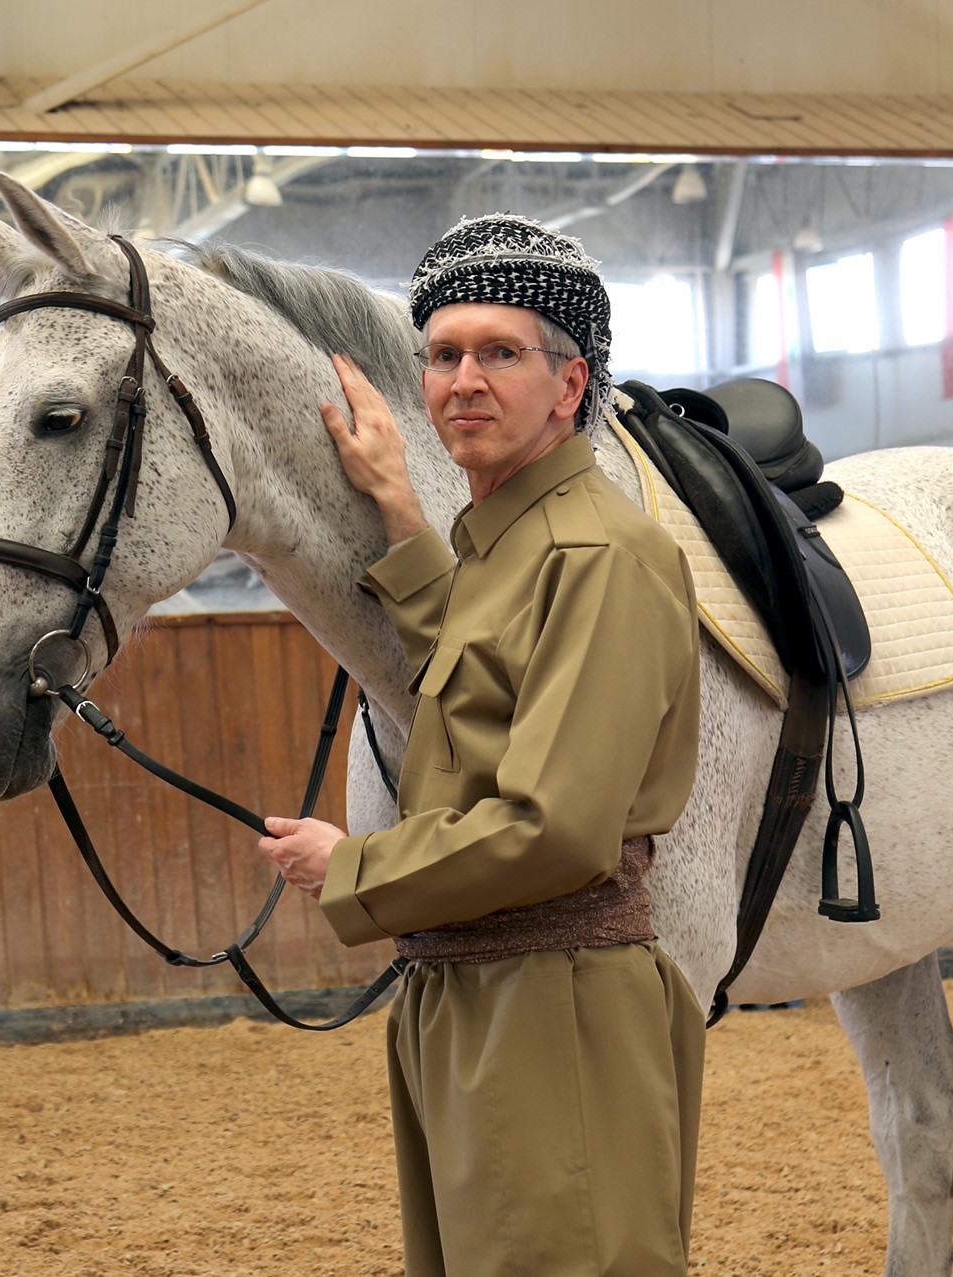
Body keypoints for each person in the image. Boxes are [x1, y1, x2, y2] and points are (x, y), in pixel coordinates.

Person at [256, 214, 705, 1277]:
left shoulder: (599, 555)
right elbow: (485, 674)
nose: (462, 379)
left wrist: (350, 866)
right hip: (470, 988)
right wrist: (400, 509)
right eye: (443, 355)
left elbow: (555, 829)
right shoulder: (502, 543)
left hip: (552, 1001)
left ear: (567, 384)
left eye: (499, 352)